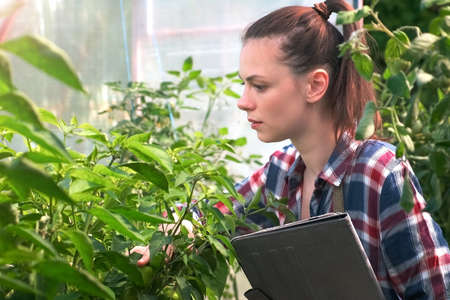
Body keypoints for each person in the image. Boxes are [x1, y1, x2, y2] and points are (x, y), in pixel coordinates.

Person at [131, 1, 450, 299]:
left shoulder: (378, 173)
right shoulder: (282, 172)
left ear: (315, 85)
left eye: (260, 86)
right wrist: (171, 235)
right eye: (245, 84)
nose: (243, 101)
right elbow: (212, 220)